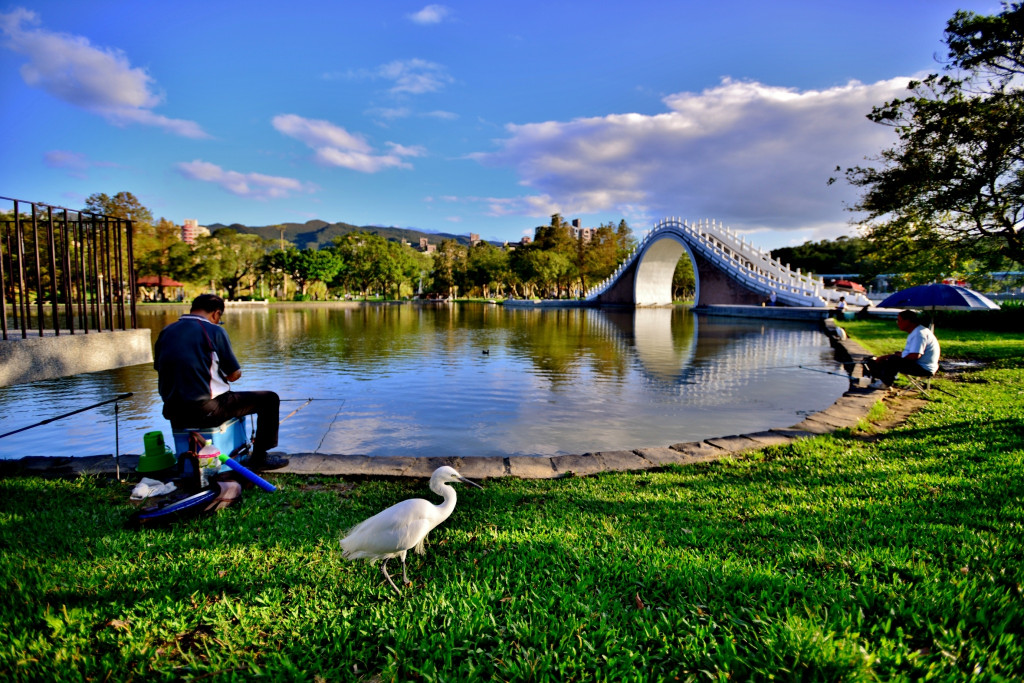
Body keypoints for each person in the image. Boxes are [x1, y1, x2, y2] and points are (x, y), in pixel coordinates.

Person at [154, 294, 288, 470]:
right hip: (206, 410)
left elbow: (160, 368)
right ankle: (259, 458)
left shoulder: (166, 331)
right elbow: (233, 374)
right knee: (269, 399)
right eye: (219, 318)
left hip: (173, 411)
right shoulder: (214, 331)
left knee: (235, 399)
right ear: (216, 314)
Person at [864, 309, 940, 389]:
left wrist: (893, 357)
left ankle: (884, 383)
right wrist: (897, 355)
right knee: (876, 359)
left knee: (892, 360)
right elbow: (912, 354)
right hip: (920, 365)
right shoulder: (917, 331)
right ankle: (878, 380)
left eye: (899, 320)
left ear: (907, 321)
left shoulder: (919, 334)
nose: (898, 323)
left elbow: (915, 356)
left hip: (923, 368)